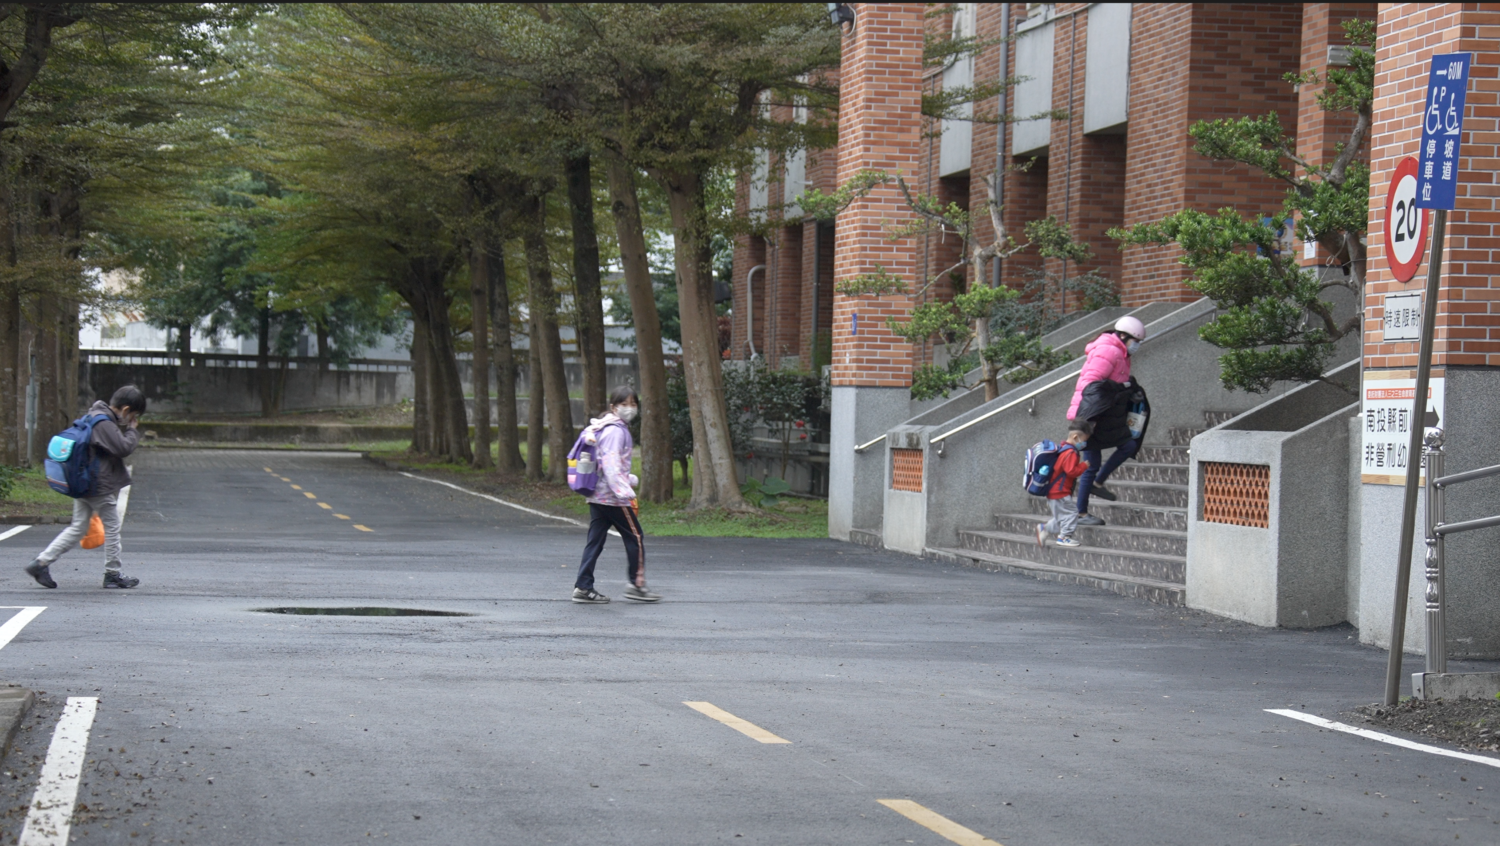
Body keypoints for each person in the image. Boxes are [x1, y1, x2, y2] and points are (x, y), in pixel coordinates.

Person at [25, 386, 145, 590]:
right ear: (125, 410)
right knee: (112, 528)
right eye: (132, 415)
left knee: (78, 526)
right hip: (98, 485)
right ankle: (113, 573)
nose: (131, 420)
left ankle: (41, 562)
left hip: (85, 482)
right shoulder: (104, 423)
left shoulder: (94, 415)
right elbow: (123, 448)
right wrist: (132, 430)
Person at [572, 386, 661, 604]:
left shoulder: (605, 427)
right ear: (613, 407)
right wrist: (625, 491)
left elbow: (608, 465)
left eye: (633, 404)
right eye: (624, 404)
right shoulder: (615, 431)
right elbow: (611, 465)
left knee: (595, 541)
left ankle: (583, 586)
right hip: (613, 497)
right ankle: (636, 584)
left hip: (597, 495)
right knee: (636, 537)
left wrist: (627, 479)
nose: (629, 408)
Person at [1066, 315, 1147, 527]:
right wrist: (1122, 388)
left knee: (1129, 444)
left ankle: (1097, 482)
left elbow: (1112, 382)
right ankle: (1081, 514)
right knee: (1091, 463)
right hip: (1092, 417)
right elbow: (1092, 385)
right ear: (1123, 336)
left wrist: (1129, 387)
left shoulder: (1120, 353)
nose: (1137, 346)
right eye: (1135, 341)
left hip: (1106, 415)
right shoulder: (1108, 350)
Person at [1034, 420, 1092, 549]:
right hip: (1060, 491)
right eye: (1084, 440)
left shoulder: (1063, 449)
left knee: (1062, 515)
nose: (1084, 444)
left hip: (1054, 490)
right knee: (1071, 513)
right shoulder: (1070, 452)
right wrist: (1083, 466)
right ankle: (1064, 537)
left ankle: (1045, 528)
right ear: (1076, 437)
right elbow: (1071, 471)